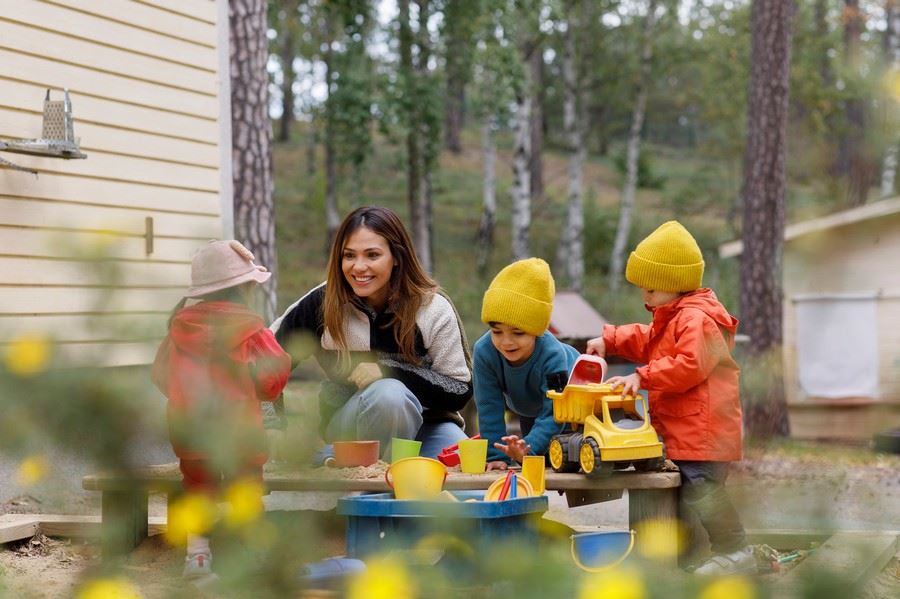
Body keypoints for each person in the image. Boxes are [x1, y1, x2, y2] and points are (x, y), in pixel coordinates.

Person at [585, 220, 751, 575]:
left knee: (703, 491)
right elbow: (648, 340)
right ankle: (684, 561)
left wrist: (641, 375)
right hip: (685, 430)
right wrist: (611, 339)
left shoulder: (697, 320)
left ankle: (736, 551)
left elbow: (689, 364)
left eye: (651, 290)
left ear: (675, 284)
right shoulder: (673, 316)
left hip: (704, 432)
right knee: (681, 496)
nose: (644, 297)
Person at [270, 206, 472, 460]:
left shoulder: (431, 308)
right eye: (349, 256)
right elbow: (264, 362)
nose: (359, 267)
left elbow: (459, 390)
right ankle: (369, 488)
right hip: (351, 422)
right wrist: (272, 425)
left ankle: (335, 459)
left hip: (428, 426)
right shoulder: (322, 303)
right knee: (389, 397)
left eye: (372, 255)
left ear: (397, 257)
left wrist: (389, 370)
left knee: (466, 458)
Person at [152, 240, 291, 579]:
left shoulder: (178, 328)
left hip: (191, 431)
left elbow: (160, 375)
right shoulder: (253, 331)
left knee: (198, 489)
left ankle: (197, 558)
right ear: (245, 288)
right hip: (241, 432)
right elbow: (273, 381)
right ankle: (254, 555)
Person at [473, 258, 579, 470]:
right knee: (524, 456)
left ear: (538, 330)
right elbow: (488, 406)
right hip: (528, 406)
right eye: (496, 331)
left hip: (570, 402)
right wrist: (496, 456)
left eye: (518, 333)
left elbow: (554, 412)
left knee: (558, 457)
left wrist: (529, 448)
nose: (506, 341)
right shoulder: (484, 352)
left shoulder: (553, 355)